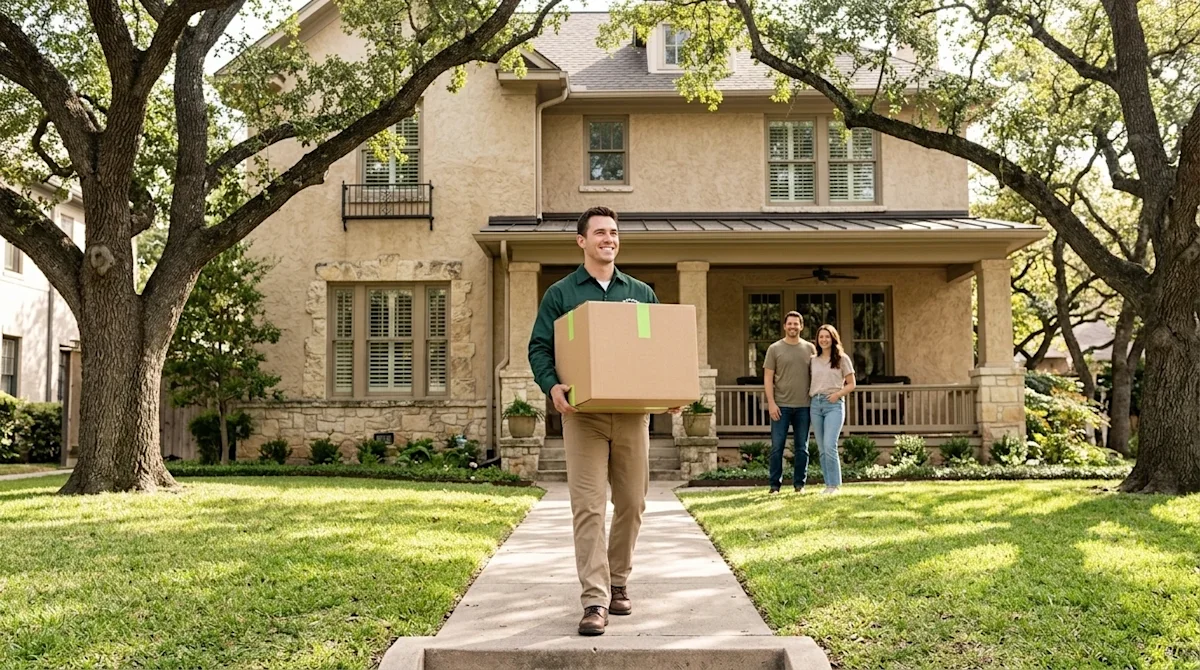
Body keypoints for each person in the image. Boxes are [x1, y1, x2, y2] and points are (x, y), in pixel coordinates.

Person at [527, 205, 682, 636]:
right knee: (589, 507)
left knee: (632, 504)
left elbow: (655, 349)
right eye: (599, 233)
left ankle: (618, 580)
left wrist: (668, 390)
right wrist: (552, 386)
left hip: (633, 415)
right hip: (584, 417)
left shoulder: (641, 292)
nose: (608, 239)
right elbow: (539, 347)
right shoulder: (561, 294)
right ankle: (594, 599)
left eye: (613, 233)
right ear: (582, 241)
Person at [763, 311, 816, 494]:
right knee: (777, 447)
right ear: (785, 326)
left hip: (804, 406)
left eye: (796, 324)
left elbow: (818, 375)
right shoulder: (774, 349)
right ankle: (774, 486)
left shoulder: (810, 349)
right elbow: (768, 378)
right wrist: (771, 403)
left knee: (802, 448)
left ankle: (799, 485)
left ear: (801, 326)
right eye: (790, 324)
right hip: (781, 406)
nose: (793, 327)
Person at [809, 324, 856, 494]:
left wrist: (837, 394)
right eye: (821, 337)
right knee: (822, 448)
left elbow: (852, 384)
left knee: (830, 445)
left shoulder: (842, 359)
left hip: (833, 405)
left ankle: (835, 485)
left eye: (827, 336)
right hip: (815, 404)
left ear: (833, 338)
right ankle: (828, 485)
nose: (824, 340)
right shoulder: (812, 360)